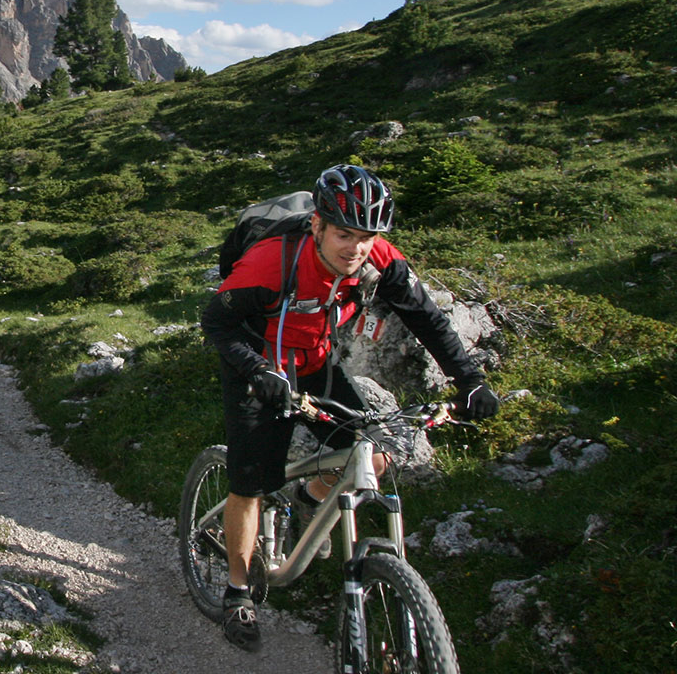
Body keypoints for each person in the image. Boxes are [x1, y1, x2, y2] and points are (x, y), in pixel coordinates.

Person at [198, 164, 500, 652]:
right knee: (251, 480)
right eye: (343, 233)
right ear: (317, 224)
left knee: (373, 454)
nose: (355, 248)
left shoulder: (377, 258)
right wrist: (258, 372)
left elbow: (427, 317)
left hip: (315, 361)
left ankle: (309, 500)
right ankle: (237, 591)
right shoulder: (273, 261)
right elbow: (217, 324)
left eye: (365, 236)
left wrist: (470, 381)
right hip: (259, 364)